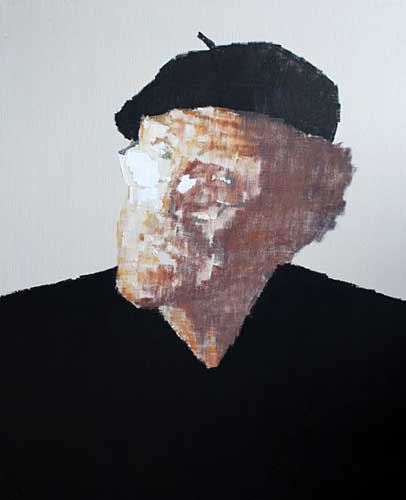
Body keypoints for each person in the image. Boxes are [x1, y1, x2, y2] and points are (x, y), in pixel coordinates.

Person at [0, 35, 405, 499]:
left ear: (301, 212)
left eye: (216, 182)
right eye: (156, 161)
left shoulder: (382, 349)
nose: (165, 207)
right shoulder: (19, 340)